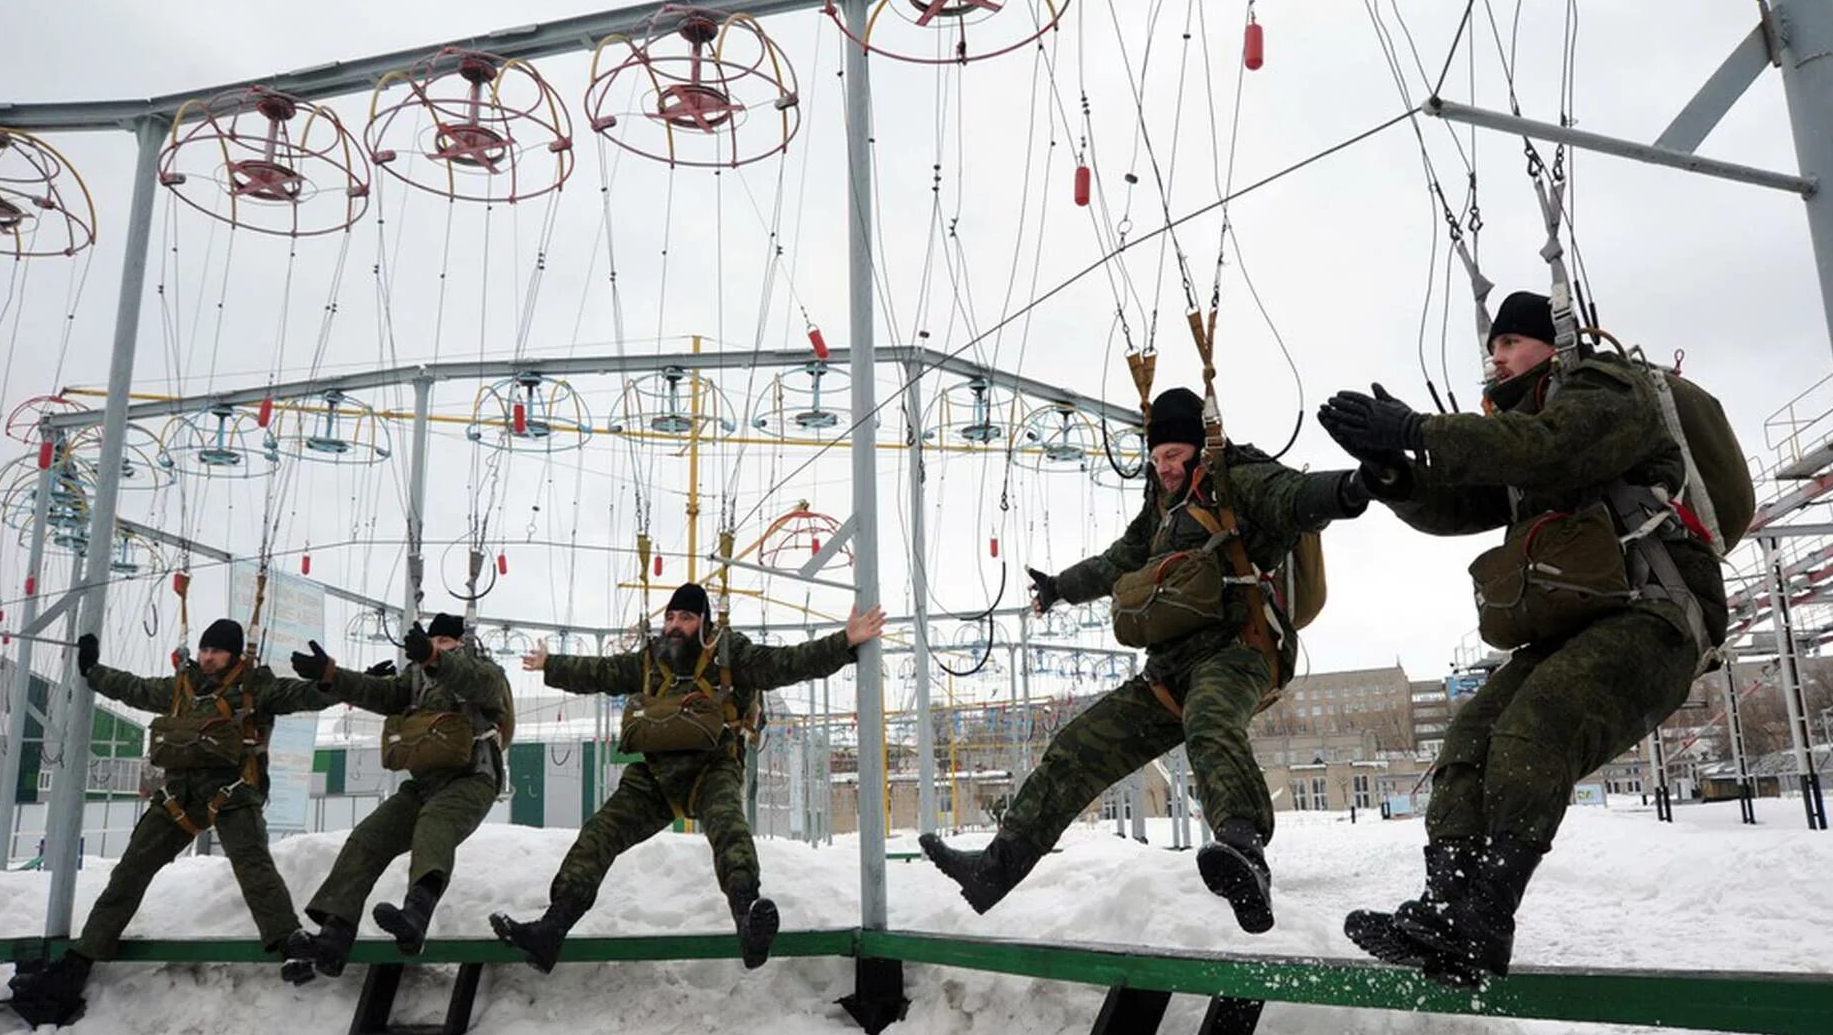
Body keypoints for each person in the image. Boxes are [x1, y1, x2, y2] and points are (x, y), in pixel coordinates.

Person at [1318, 290, 1727, 985]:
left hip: (1654, 615)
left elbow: (1555, 447)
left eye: (1509, 343)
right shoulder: (1520, 430)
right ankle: (1447, 908)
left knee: (1539, 722)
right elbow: (1460, 503)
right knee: (1470, 735)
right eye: (1493, 346)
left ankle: (1488, 916)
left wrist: (1420, 425)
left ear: (1551, 343)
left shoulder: (1605, 389)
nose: (1496, 357)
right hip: (1575, 626)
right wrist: (1394, 472)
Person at [919, 387, 1370, 933]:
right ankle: (994, 870)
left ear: (1198, 450)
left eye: (1173, 456)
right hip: (1169, 670)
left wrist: (1355, 487)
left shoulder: (1235, 479)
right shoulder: (1160, 506)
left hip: (1238, 651)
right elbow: (1120, 560)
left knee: (1210, 722)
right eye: (1156, 459)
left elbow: (1295, 497)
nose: (1164, 469)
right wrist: (1060, 587)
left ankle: (1244, 852)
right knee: (1078, 747)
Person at [490, 583, 885, 972]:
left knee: (730, 831)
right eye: (671, 617)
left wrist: (843, 642)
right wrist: (552, 664)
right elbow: (602, 672)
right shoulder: (650, 660)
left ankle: (748, 920)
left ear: (704, 622)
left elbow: (786, 662)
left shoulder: (730, 655)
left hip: (713, 768)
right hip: (655, 777)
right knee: (598, 835)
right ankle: (552, 929)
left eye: (686, 617)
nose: (675, 625)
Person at [5, 619, 335, 1026]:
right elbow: (135, 689)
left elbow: (304, 695)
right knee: (130, 872)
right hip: (178, 797)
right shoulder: (182, 688)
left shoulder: (256, 687)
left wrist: (336, 680)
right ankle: (82, 958)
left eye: (216, 651)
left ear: (233, 654)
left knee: (253, 867)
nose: (208, 656)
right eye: (204, 650)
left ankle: (289, 940)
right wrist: (93, 671)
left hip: (231, 793)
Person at [284, 613, 512, 975]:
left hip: (472, 778)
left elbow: (479, 685)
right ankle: (334, 935)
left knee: (434, 825)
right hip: (424, 783)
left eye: (445, 642)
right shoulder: (416, 678)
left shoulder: (485, 671)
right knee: (367, 838)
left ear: (462, 643)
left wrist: (435, 660)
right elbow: (384, 694)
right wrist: (332, 676)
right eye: (433, 640)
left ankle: (416, 916)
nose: (437, 646)